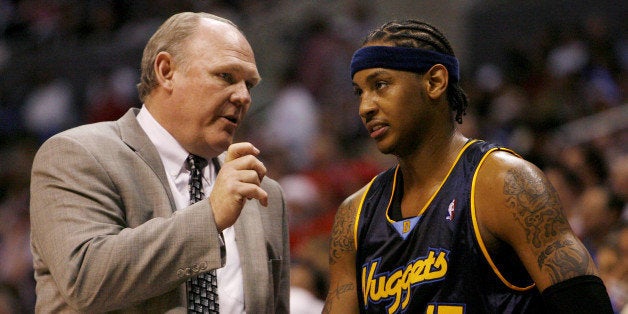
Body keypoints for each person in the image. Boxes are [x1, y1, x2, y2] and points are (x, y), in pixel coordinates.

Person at [323, 19, 613, 313]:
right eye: (359, 92)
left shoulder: (505, 182)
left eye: (380, 85)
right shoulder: (354, 215)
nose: (365, 107)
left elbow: (587, 306)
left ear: (435, 82)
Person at [29, 12, 289, 313]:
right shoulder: (77, 154)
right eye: (225, 76)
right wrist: (210, 217)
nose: (244, 96)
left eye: (250, 85)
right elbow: (84, 279)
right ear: (166, 71)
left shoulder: (262, 192)